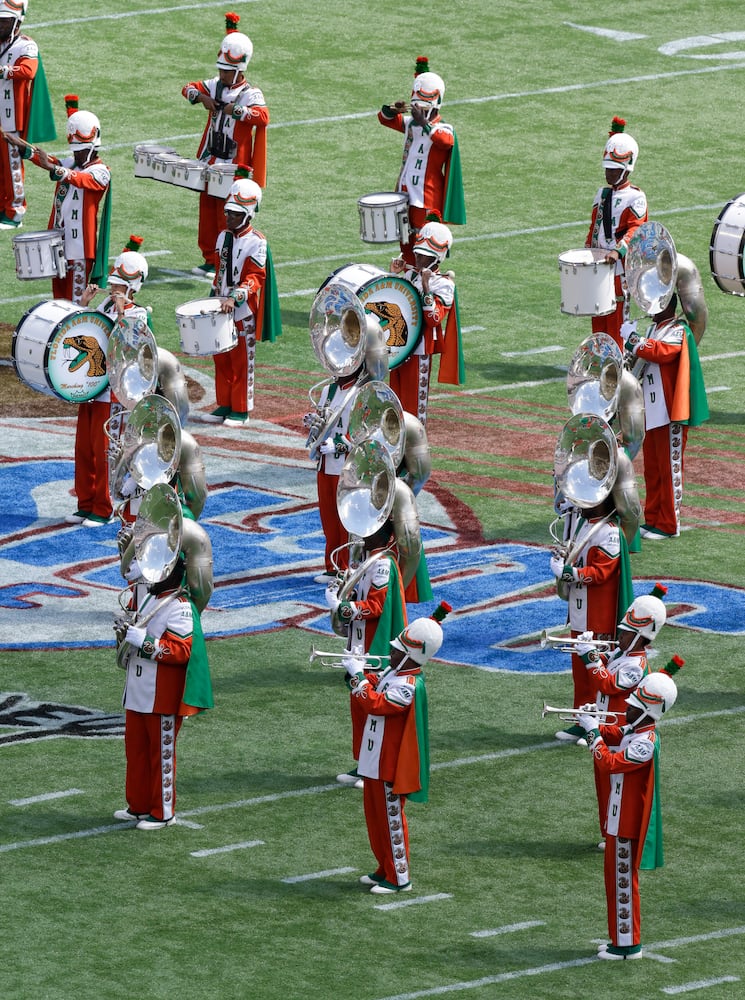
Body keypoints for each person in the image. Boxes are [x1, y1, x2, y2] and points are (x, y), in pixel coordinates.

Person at [575, 665, 680, 959]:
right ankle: (618, 938)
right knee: (614, 880)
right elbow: (613, 732)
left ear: (650, 712)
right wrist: (591, 723)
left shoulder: (645, 744)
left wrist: (593, 734)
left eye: (633, 707)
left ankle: (628, 945)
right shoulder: (636, 729)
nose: (627, 710)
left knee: (623, 882)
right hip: (618, 818)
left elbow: (608, 763)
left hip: (627, 824)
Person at [344, 607, 448, 893]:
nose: (390, 653)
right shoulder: (395, 672)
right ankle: (383, 867)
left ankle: (399, 878)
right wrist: (361, 671)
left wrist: (357, 679)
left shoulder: (409, 686)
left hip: (388, 764)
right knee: (375, 819)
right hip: (373, 758)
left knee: (391, 822)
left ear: (410, 655)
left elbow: (377, 704)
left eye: (396, 650)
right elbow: (376, 688)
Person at [113, 554, 213, 831]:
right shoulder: (149, 599)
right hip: (137, 690)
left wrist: (143, 642)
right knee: (136, 753)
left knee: (161, 755)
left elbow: (181, 651)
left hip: (161, 695)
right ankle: (139, 806)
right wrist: (124, 634)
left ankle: (163, 812)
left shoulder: (179, 606)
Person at [61, 237, 149, 527]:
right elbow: (83, 330)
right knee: (84, 448)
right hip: (90, 385)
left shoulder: (139, 314)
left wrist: (123, 311)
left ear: (133, 287)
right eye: (113, 285)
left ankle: (105, 506)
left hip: (113, 393)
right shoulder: (105, 305)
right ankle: (85, 503)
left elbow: (132, 345)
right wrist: (84, 304)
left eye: (119, 286)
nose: (113, 289)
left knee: (106, 452)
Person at [181, 12, 269, 276]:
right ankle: (209, 257)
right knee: (207, 209)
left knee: (226, 211)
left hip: (234, 162)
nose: (222, 74)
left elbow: (262, 117)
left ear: (240, 70)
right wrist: (200, 98)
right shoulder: (215, 85)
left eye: (227, 71)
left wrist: (237, 111)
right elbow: (187, 88)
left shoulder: (251, 93)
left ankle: (223, 260)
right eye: (221, 69)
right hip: (212, 156)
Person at [326, 518, 408, 788]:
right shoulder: (369, 560)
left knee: (372, 707)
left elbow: (376, 605)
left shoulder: (382, 564)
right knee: (358, 707)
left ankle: (376, 768)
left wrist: (342, 608)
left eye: (369, 530)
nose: (362, 533)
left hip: (375, 647)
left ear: (379, 535)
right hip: (360, 645)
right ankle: (364, 764)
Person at [8, 93, 111, 303]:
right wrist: (17, 144)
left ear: (92, 147)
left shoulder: (101, 172)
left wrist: (54, 167)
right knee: (59, 302)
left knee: (75, 303)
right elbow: (48, 160)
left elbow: (80, 179)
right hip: (58, 245)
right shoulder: (72, 163)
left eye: (79, 151)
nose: (76, 155)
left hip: (80, 251)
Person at [623, 292, 709, 539]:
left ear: (668, 306)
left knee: (670, 469)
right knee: (652, 468)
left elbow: (662, 353)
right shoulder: (654, 329)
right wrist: (629, 346)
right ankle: (653, 518)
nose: (649, 308)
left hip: (670, 412)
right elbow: (640, 359)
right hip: (651, 410)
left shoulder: (678, 330)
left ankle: (669, 525)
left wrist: (635, 341)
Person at [200, 169, 281, 427]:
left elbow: (255, 277)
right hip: (220, 303)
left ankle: (241, 410)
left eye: (234, 214)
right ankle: (224, 403)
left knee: (241, 360)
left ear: (248, 214)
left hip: (242, 309)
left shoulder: (258, 242)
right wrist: (213, 298)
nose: (229, 217)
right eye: (227, 212)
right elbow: (219, 271)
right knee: (220, 357)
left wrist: (234, 298)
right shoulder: (222, 236)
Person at [549, 494, 633, 739]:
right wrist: (563, 557)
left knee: (596, 669)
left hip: (599, 613)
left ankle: (598, 727)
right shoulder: (585, 523)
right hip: (580, 610)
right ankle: (581, 719)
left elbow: (601, 573)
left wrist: (567, 572)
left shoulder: (609, 532)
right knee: (580, 671)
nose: (581, 505)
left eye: (587, 501)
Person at [378, 56, 465, 263]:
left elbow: (445, 141)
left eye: (424, 107)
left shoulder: (443, 128)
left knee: (424, 239)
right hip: (405, 190)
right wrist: (392, 108)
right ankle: (408, 270)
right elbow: (384, 119)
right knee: (405, 237)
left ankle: (422, 273)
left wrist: (424, 122)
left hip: (427, 196)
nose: (420, 111)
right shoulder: (411, 124)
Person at [390, 219, 463, 424]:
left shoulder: (444, 285)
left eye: (425, 256)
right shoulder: (410, 274)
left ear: (436, 259)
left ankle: (414, 445)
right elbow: (392, 301)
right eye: (418, 254)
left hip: (420, 349)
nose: (419, 258)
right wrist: (393, 275)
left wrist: (426, 286)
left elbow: (434, 319)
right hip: (399, 346)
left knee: (414, 407)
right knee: (394, 400)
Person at [585, 117, 647, 350]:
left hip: (620, 270)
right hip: (599, 266)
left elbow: (637, 229)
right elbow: (594, 229)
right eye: (607, 169)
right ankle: (601, 360)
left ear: (626, 169)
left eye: (614, 169)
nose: (608, 174)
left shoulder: (636, 197)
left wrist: (618, 251)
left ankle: (619, 363)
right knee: (598, 319)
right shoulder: (600, 194)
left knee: (616, 319)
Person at [0, 0, 55, 229]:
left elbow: (28, 71)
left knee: (12, 163)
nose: (1, 24)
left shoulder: (26, 45)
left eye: (5, 21)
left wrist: (3, 71)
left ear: (17, 21)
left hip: (12, 116)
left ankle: (15, 212)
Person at [303, 365, 362, 582]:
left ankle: (346, 567)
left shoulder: (361, 391)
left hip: (347, 466)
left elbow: (363, 428)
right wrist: (314, 429)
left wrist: (339, 444)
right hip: (325, 464)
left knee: (344, 518)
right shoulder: (328, 390)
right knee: (328, 517)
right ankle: (332, 566)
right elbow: (323, 422)